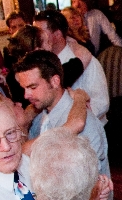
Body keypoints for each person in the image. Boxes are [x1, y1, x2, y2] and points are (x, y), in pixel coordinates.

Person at [14, 50, 111, 178]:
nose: (26, 95)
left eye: (33, 87)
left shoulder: (84, 120)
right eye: (24, 88)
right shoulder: (39, 115)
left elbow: (89, 181)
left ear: (55, 81)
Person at [34, 10, 109, 123]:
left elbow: (101, 102)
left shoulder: (85, 61)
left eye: (40, 32)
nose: (35, 38)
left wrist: (68, 124)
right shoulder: (40, 63)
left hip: (85, 127)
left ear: (57, 34)